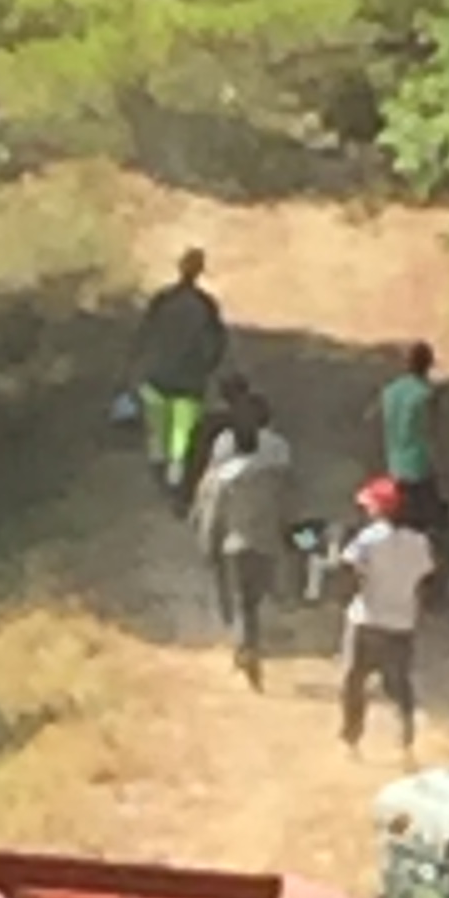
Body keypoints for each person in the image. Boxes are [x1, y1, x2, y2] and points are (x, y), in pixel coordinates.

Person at [192, 405, 297, 687]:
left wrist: (207, 544)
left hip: (236, 546)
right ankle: (251, 645)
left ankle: (246, 648)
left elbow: (213, 517)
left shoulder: (223, 480)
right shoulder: (273, 477)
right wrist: (294, 541)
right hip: (268, 546)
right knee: (256, 600)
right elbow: (288, 512)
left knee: (243, 604)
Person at [338, 474, 437, 753]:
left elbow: (346, 568)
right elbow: (427, 578)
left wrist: (348, 593)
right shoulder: (419, 543)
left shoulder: (368, 539)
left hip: (367, 619)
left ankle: (352, 737)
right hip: (402, 622)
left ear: (378, 509)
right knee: (399, 682)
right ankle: (405, 735)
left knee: (354, 680)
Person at [134, 248, 228, 506]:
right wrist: (207, 367)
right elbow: (218, 343)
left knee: (157, 435)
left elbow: (143, 335)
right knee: (181, 437)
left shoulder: (162, 300)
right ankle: (176, 485)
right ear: (199, 272)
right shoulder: (206, 305)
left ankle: (160, 481)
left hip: (157, 377)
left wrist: (140, 366)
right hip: (190, 382)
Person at [378, 342, 444, 536]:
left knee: (399, 518)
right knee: (424, 522)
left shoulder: (389, 392)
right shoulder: (426, 394)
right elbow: (432, 432)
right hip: (419, 464)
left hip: (394, 462)